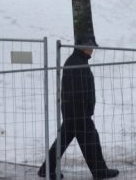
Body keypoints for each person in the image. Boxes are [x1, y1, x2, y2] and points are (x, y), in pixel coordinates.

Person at [38, 37, 119, 179]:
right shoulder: (77, 63)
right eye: (90, 47)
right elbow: (78, 91)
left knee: (64, 140)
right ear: (82, 47)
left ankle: (46, 169)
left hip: (74, 112)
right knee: (91, 139)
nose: (92, 50)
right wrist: (84, 110)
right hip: (78, 112)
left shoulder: (78, 61)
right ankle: (100, 171)